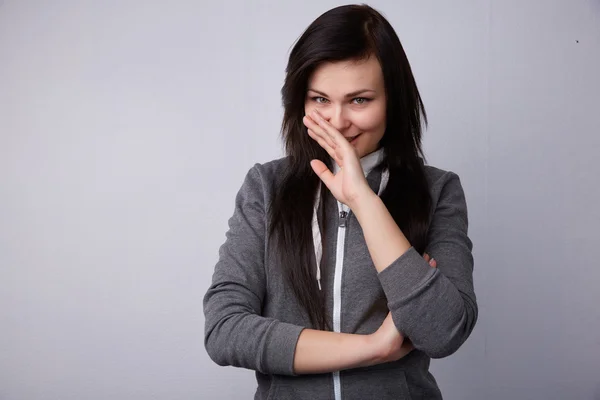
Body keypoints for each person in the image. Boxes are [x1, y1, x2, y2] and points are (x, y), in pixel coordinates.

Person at [203, 4, 477, 399]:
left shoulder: (438, 191)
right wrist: (373, 349)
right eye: (320, 99)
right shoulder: (265, 186)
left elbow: (444, 331)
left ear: (393, 101)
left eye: (360, 100)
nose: (337, 120)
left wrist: (363, 201)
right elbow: (225, 330)